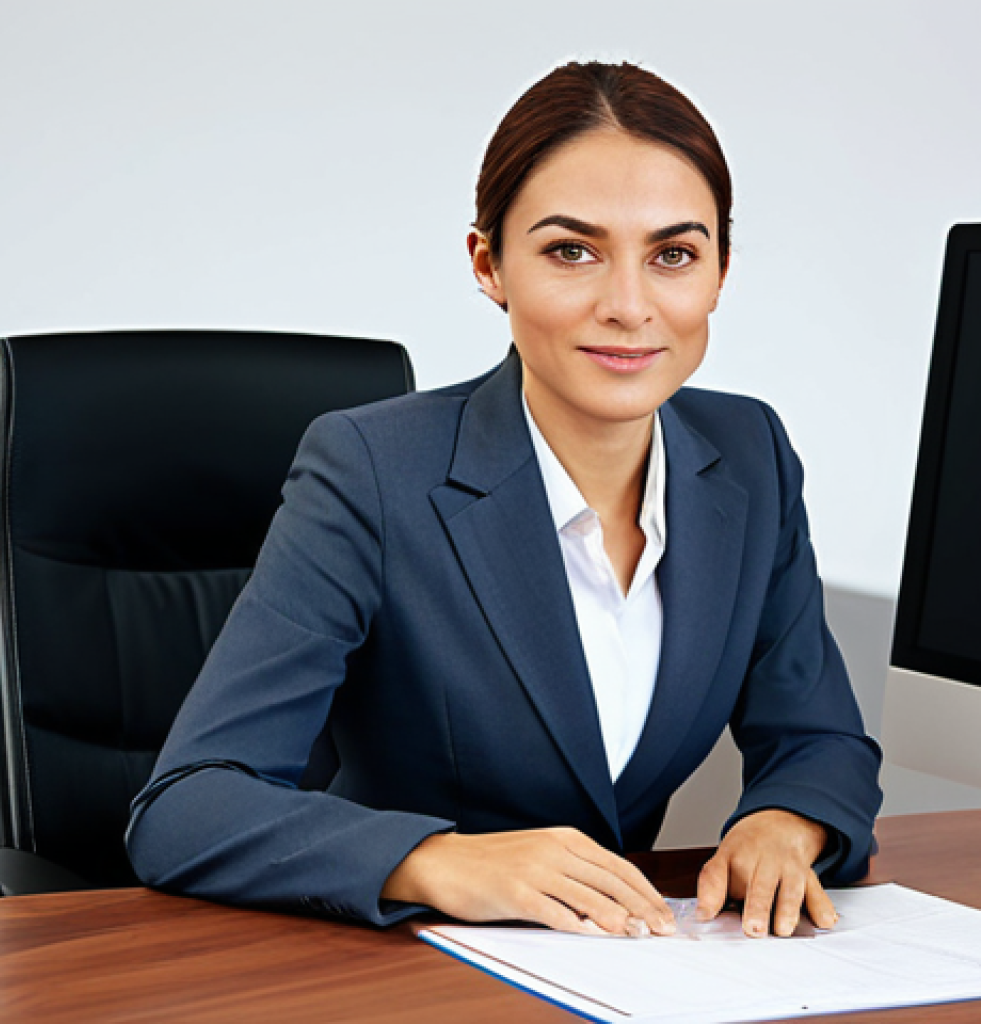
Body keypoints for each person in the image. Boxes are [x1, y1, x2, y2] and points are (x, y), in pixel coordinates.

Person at [126, 60, 882, 940]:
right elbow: (188, 804)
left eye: (673, 254)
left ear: (719, 275)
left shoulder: (749, 457)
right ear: (490, 265)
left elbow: (819, 736)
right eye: (572, 251)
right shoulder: (371, 469)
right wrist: (442, 860)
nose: (630, 306)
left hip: (629, 967)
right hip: (410, 969)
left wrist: (786, 822)